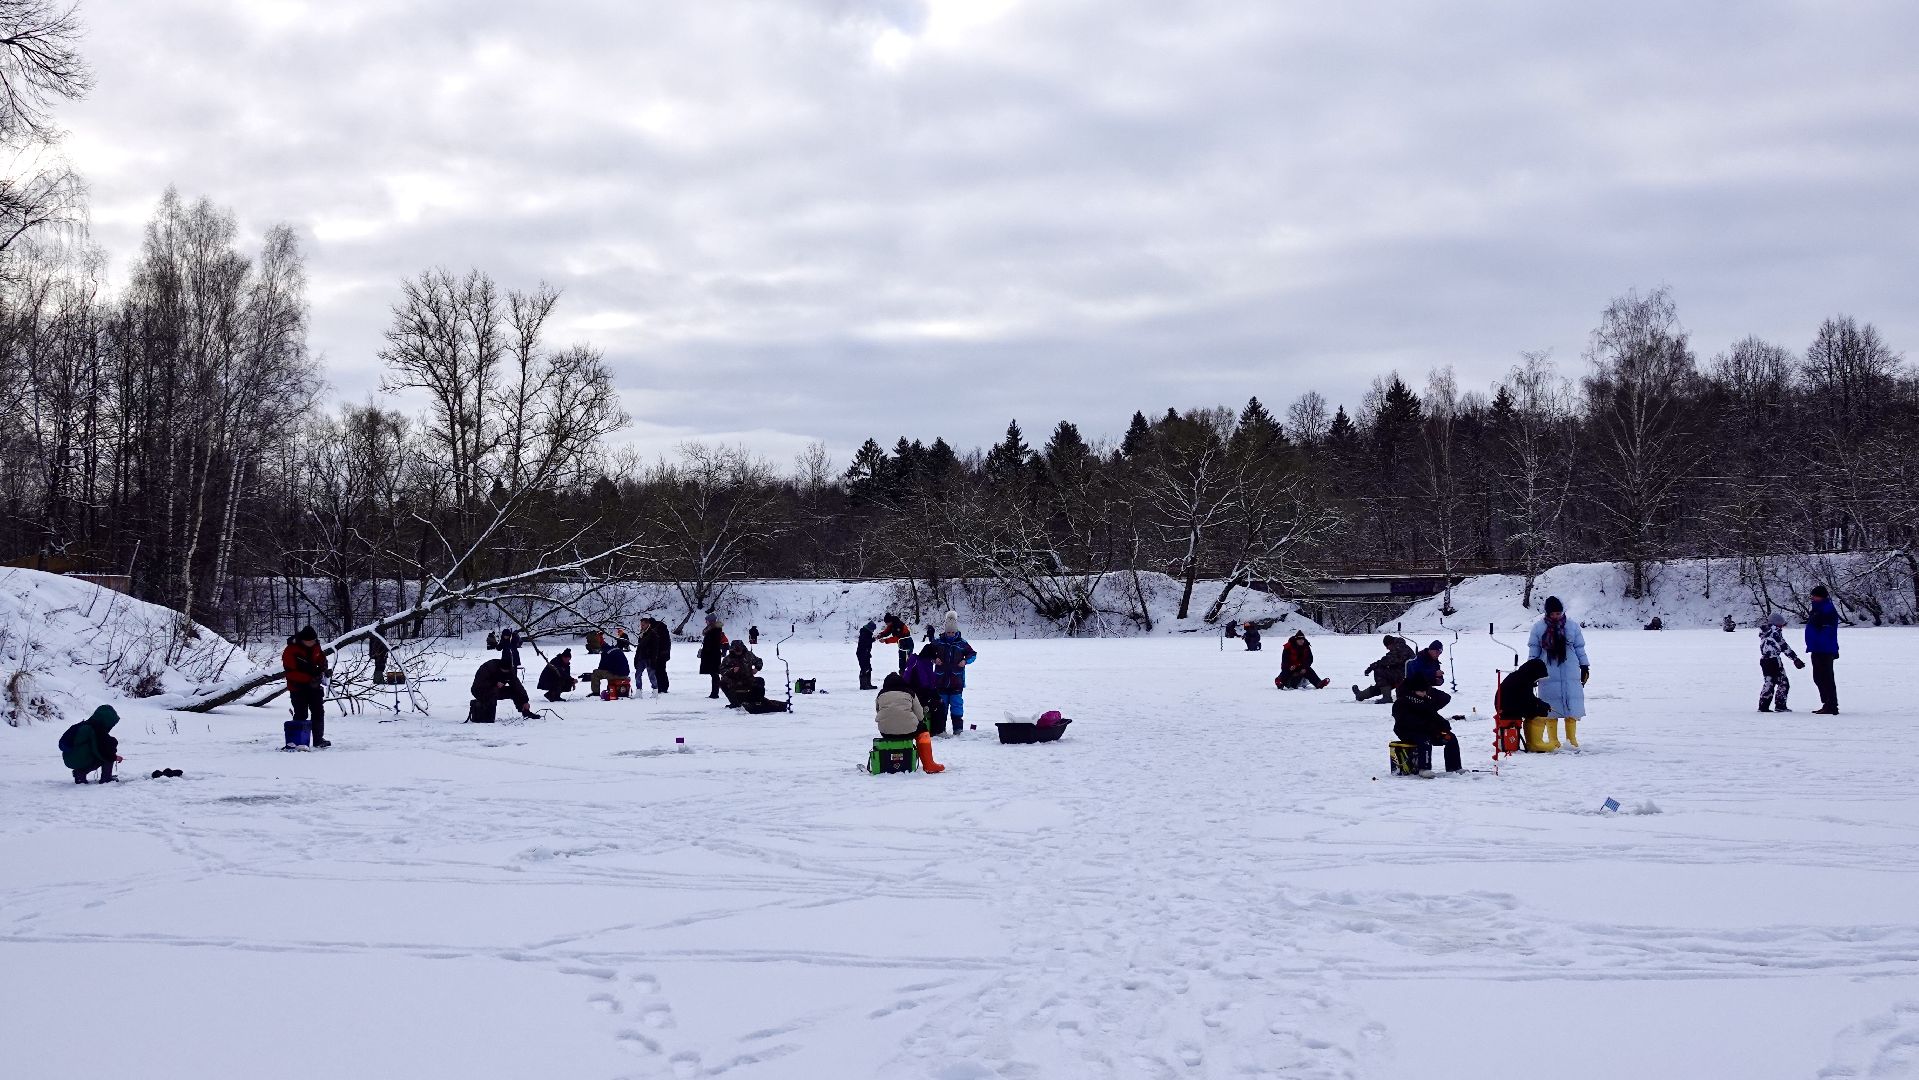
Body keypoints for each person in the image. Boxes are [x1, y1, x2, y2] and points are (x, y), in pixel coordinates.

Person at [1527, 596, 1590, 751]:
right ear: (1547, 613)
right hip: (1548, 670)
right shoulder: (1538, 628)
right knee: (1550, 707)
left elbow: (1579, 648)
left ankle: (1571, 739)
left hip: (1570, 669)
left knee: (1571, 704)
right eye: (1553, 613)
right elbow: (1533, 652)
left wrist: (1584, 666)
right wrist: (1531, 672)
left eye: (1558, 613)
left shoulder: (1573, 626)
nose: (1556, 616)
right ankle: (1553, 740)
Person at [1393, 650, 1461, 774]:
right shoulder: (1402, 702)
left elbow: (1433, 715)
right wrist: (1428, 727)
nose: (1424, 694)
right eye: (1421, 691)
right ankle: (1423, 768)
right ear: (1414, 690)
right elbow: (1406, 721)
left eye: (1425, 691)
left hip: (1428, 731)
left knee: (1451, 738)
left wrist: (1444, 724)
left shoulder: (1425, 700)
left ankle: (1454, 767)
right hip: (1408, 732)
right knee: (1425, 740)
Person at [875, 672, 944, 773]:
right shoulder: (909, 692)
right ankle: (929, 764)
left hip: (885, 731)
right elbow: (920, 715)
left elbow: (878, 711)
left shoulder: (880, 694)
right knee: (923, 731)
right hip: (909, 731)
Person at [282, 625, 331, 749]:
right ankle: (298, 741)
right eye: (308, 641)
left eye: (313, 641)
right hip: (297, 687)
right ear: (302, 640)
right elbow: (290, 673)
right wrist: (309, 679)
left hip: (314, 687)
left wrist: (324, 668)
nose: (311, 643)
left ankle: (318, 740)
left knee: (318, 711)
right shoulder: (290, 650)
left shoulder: (316, 647)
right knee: (300, 713)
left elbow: (321, 659)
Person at [931, 611, 978, 735]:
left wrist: (965, 661)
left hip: (957, 681)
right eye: (948, 632)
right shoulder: (938, 642)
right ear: (945, 631)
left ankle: (958, 729)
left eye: (953, 632)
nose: (950, 635)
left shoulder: (961, 643)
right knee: (942, 706)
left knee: (957, 705)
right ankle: (941, 729)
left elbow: (973, 654)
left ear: (956, 631)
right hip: (940, 681)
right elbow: (927, 654)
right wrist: (934, 659)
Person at [1498, 658, 1551, 752]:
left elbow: (1527, 698)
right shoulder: (1524, 680)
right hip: (1509, 707)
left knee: (1538, 708)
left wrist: (1539, 703)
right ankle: (1535, 743)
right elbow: (1528, 700)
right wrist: (1541, 705)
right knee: (1540, 711)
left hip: (1506, 706)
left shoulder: (1521, 676)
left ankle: (1532, 742)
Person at [60, 705, 122, 784]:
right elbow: (101, 752)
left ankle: (80, 774)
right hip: (80, 759)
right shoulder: (96, 730)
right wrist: (114, 757)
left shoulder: (82, 725)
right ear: (106, 720)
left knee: (105, 748)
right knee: (108, 751)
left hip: (69, 760)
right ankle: (106, 778)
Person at [1758, 612, 1806, 713]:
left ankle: (1763, 706)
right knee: (1783, 683)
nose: (1782, 626)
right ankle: (1780, 706)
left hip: (1764, 660)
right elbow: (1783, 646)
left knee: (1769, 682)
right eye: (1781, 624)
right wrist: (1795, 658)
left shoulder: (1765, 632)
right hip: (1774, 660)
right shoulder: (1775, 632)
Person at [1806, 585, 1841, 715]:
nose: (1812, 597)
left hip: (1824, 648)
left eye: (1814, 595)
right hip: (1817, 648)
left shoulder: (1826, 608)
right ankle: (1827, 703)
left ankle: (1831, 705)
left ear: (1820, 596)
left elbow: (1828, 629)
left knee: (1825, 677)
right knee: (1818, 677)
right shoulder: (1817, 608)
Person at [471, 656, 537, 722]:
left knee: (514, 691)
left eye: (507, 671)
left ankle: (525, 711)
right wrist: (495, 683)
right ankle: (488, 718)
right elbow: (479, 683)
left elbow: (517, 686)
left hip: (496, 690)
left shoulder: (510, 671)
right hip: (479, 691)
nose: (506, 672)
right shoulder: (488, 667)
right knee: (493, 692)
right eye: (504, 671)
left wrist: (525, 700)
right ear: (499, 667)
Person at [1355, 635, 1415, 703]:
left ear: (1390, 643)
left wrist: (1374, 665)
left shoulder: (1399, 647)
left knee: (1379, 671)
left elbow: (1390, 660)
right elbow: (1389, 659)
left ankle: (1386, 698)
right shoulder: (1400, 646)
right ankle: (1361, 695)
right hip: (1403, 672)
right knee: (1384, 684)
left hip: (1404, 674)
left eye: (1387, 646)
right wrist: (1376, 664)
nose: (1387, 648)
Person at [719, 640, 767, 707]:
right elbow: (721, 670)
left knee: (760, 681)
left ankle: (757, 701)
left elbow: (758, 661)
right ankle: (734, 702)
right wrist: (731, 670)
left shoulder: (749, 655)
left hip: (748, 678)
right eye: (736, 650)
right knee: (722, 682)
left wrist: (757, 668)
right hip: (734, 680)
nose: (738, 652)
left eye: (740, 649)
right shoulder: (728, 659)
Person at [699, 614, 729, 699]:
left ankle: (715, 693)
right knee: (714, 674)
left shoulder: (715, 630)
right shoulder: (713, 629)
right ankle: (714, 693)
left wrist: (707, 650)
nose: (706, 622)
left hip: (713, 655)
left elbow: (712, 643)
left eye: (707, 620)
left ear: (711, 621)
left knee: (714, 674)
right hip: (712, 655)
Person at [639, 618, 672, 693]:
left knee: (657, 670)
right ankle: (663, 687)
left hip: (658, 653)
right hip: (662, 653)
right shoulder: (661, 628)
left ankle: (660, 687)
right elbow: (667, 642)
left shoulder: (654, 630)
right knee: (661, 670)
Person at [856, 618, 878, 691]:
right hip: (862, 653)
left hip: (865, 653)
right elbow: (865, 643)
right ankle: (863, 685)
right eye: (873, 629)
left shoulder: (866, 632)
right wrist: (873, 639)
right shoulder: (865, 633)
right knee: (865, 668)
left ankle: (868, 684)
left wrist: (868, 653)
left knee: (868, 668)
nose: (873, 631)